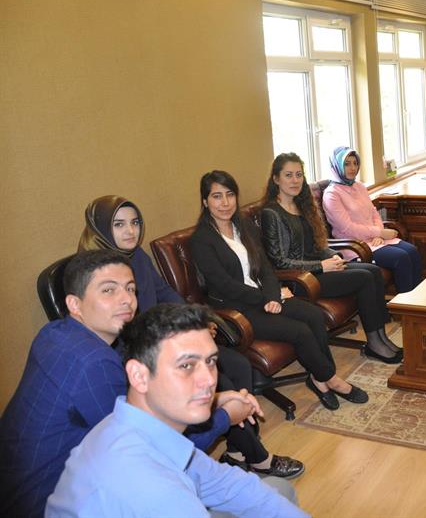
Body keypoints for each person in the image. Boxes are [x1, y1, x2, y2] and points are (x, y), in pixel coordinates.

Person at [0, 251, 259, 517]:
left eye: (130, 288)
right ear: (75, 304)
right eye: (108, 290)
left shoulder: (52, 333)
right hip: (48, 503)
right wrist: (225, 417)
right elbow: (155, 452)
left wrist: (212, 400)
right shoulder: (94, 362)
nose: (127, 300)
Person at [77, 195, 303, 478]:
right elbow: (120, 332)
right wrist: (180, 334)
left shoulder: (138, 257)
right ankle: (259, 458)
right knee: (218, 381)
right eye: (119, 224)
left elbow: (164, 293)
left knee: (236, 364)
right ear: (100, 228)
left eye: (135, 222)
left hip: (160, 339)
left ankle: (237, 449)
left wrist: (197, 320)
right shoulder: (97, 272)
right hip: (134, 355)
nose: (131, 231)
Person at [46, 303, 309, 518]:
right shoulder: (149, 490)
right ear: (139, 375)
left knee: (277, 491)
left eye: (210, 361)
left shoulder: (130, 426)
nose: (209, 380)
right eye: (186, 366)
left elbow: (223, 483)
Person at [189, 170, 368, 411]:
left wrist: (273, 295)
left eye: (229, 195)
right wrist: (266, 298)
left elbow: (265, 266)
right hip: (236, 309)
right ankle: (332, 379)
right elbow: (224, 285)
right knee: (300, 332)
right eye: (216, 196)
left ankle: (319, 378)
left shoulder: (243, 226)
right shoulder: (202, 240)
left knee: (314, 315)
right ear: (205, 201)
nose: (225, 203)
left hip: (264, 296)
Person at [260, 153, 403, 365]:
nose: (295, 180)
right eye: (288, 175)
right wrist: (321, 266)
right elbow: (279, 261)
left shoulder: (302, 205)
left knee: (372, 271)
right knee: (364, 278)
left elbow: (319, 244)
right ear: (275, 179)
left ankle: (381, 337)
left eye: (299, 174)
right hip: (299, 280)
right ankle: (375, 343)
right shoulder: (271, 213)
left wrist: (334, 257)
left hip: (319, 269)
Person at [322, 146, 422, 293]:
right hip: (355, 246)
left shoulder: (359, 186)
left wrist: (379, 234)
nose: (353, 168)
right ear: (337, 166)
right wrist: (379, 233)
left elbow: (374, 212)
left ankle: (417, 301)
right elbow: (347, 228)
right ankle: (405, 305)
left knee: (412, 251)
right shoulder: (331, 194)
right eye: (347, 164)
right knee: (401, 258)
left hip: (375, 240)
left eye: (355, 163)